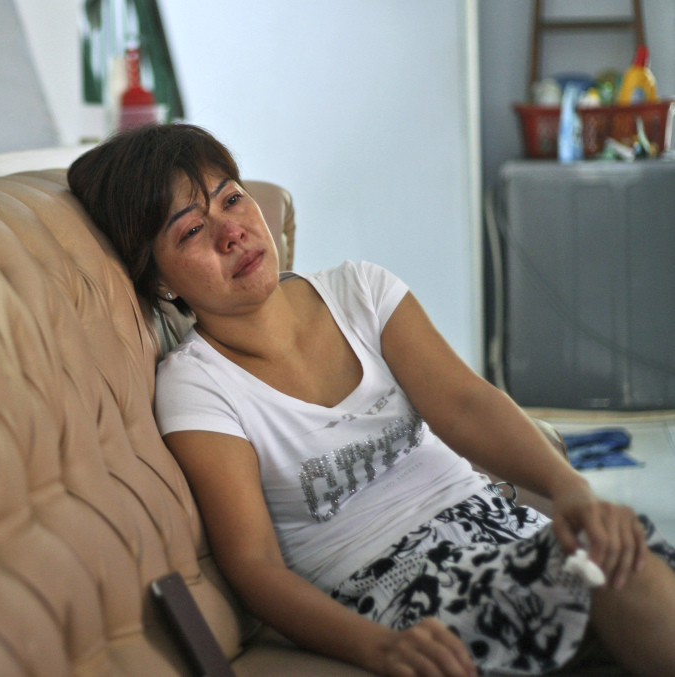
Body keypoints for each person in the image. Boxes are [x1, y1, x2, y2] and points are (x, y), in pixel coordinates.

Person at [67, 123, 675, 677]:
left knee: (626, 559)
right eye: (193, 231)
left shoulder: (360, 289)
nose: (233, 232)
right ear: (161, 281)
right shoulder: (195, 385)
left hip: (500, 527)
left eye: (231, 197)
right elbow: (255, 567)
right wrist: (376, 647)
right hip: (393, 586)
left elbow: (465, 403)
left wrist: (572, 490)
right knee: (631, 581)